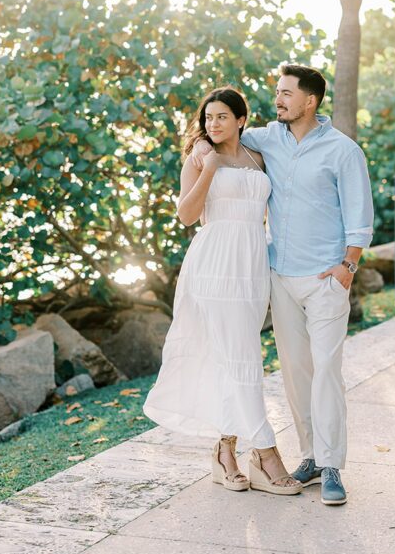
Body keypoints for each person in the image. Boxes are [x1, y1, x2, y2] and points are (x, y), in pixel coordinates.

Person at [192, 64, 374, 506]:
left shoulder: (343, 151)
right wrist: (200, 141)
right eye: (277, 92)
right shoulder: (266, 139)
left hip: (325, 277)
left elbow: (360, 214)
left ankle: (332, 467)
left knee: (327, 370)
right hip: (277, 275)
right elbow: (222, 132)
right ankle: (310, 457)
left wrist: (348, 265)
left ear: (309, 101)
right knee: (295, 373)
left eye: (287, 93)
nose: (278, 100)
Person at [143, 86, 301, 496]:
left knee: (239, 353)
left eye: (221, 117)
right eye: (208, 117)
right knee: (241, 355)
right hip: (214, 264)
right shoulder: (199, 157)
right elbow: (186, 216)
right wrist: (209, 168)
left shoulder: (257, 156)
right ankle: (266, 454)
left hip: (251, 264)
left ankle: (224, 453)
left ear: (241, 120)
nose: (213, 124)